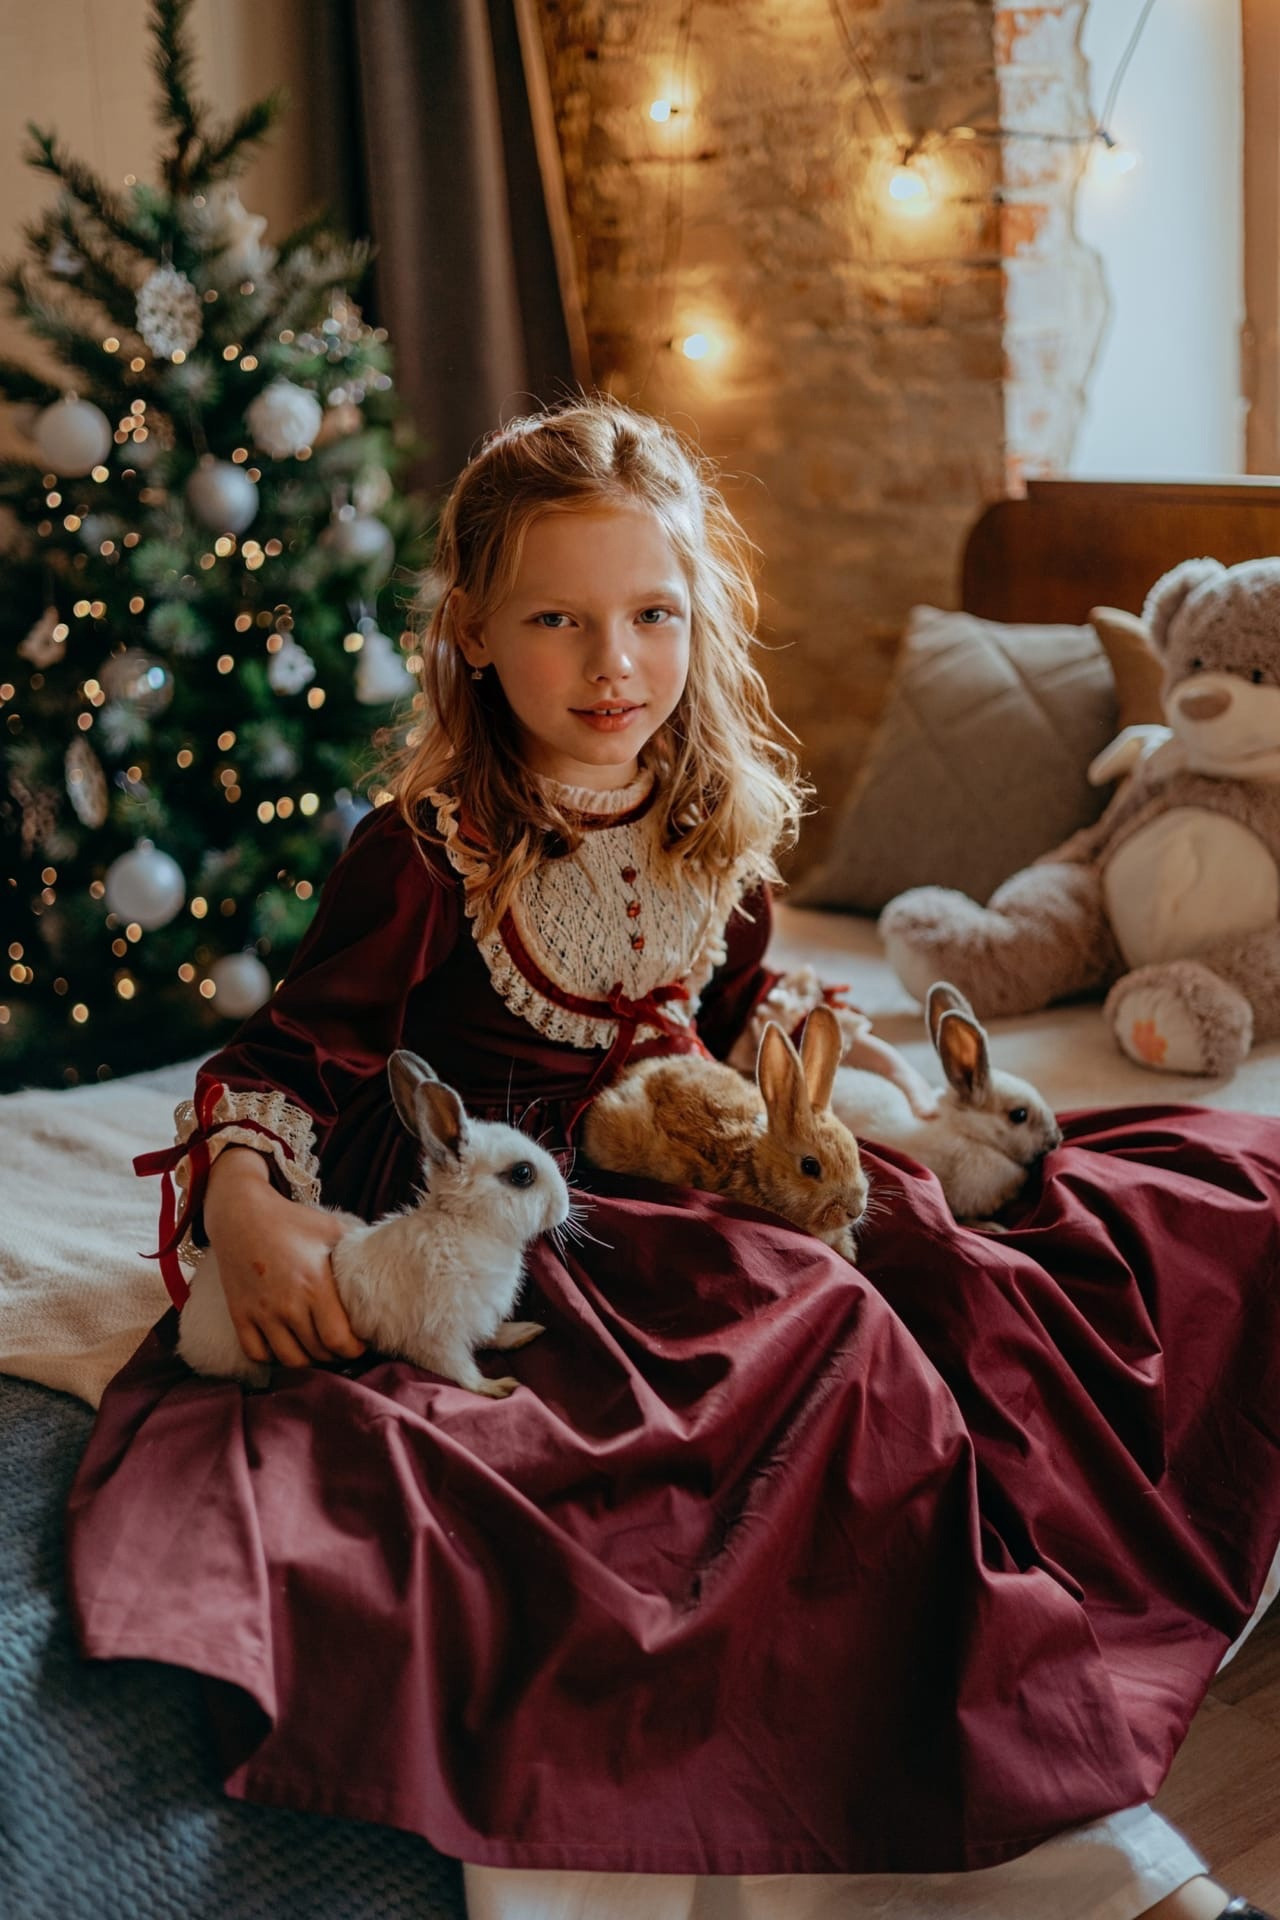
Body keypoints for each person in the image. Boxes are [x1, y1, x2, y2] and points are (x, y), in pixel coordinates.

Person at [68, 398, 1280, 1920]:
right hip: (564, 1208)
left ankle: (1061, 1783)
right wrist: (245, 1203)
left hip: (711, 1147)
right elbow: (291, 1060)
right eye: (559, 620)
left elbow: (730, 1004)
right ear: (474, 635)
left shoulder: (718, 823)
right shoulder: (429, 848)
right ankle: (1097, 1877)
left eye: (652, 614)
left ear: (698, 619)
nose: (613, 663)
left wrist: (825, 1059)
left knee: (1097, 1234)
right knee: (821, 1337)